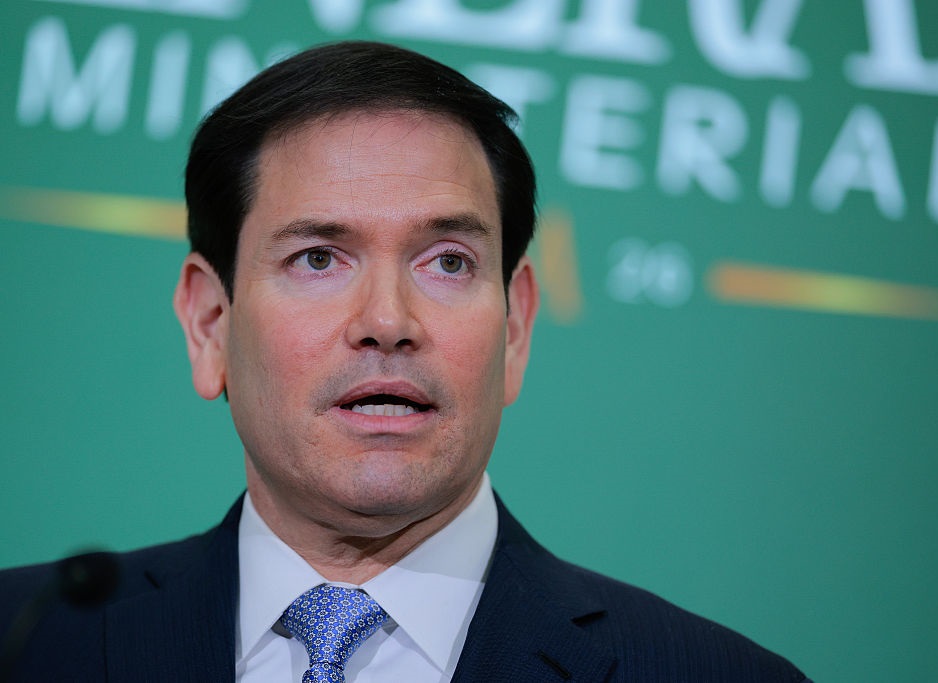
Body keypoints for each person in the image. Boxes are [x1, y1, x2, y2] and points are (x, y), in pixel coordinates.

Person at [0, 41, 810, 682]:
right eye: (319, 258)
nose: (387, 322)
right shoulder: (26, 640)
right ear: (211, 322)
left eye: (448, 262)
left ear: (516, 325)